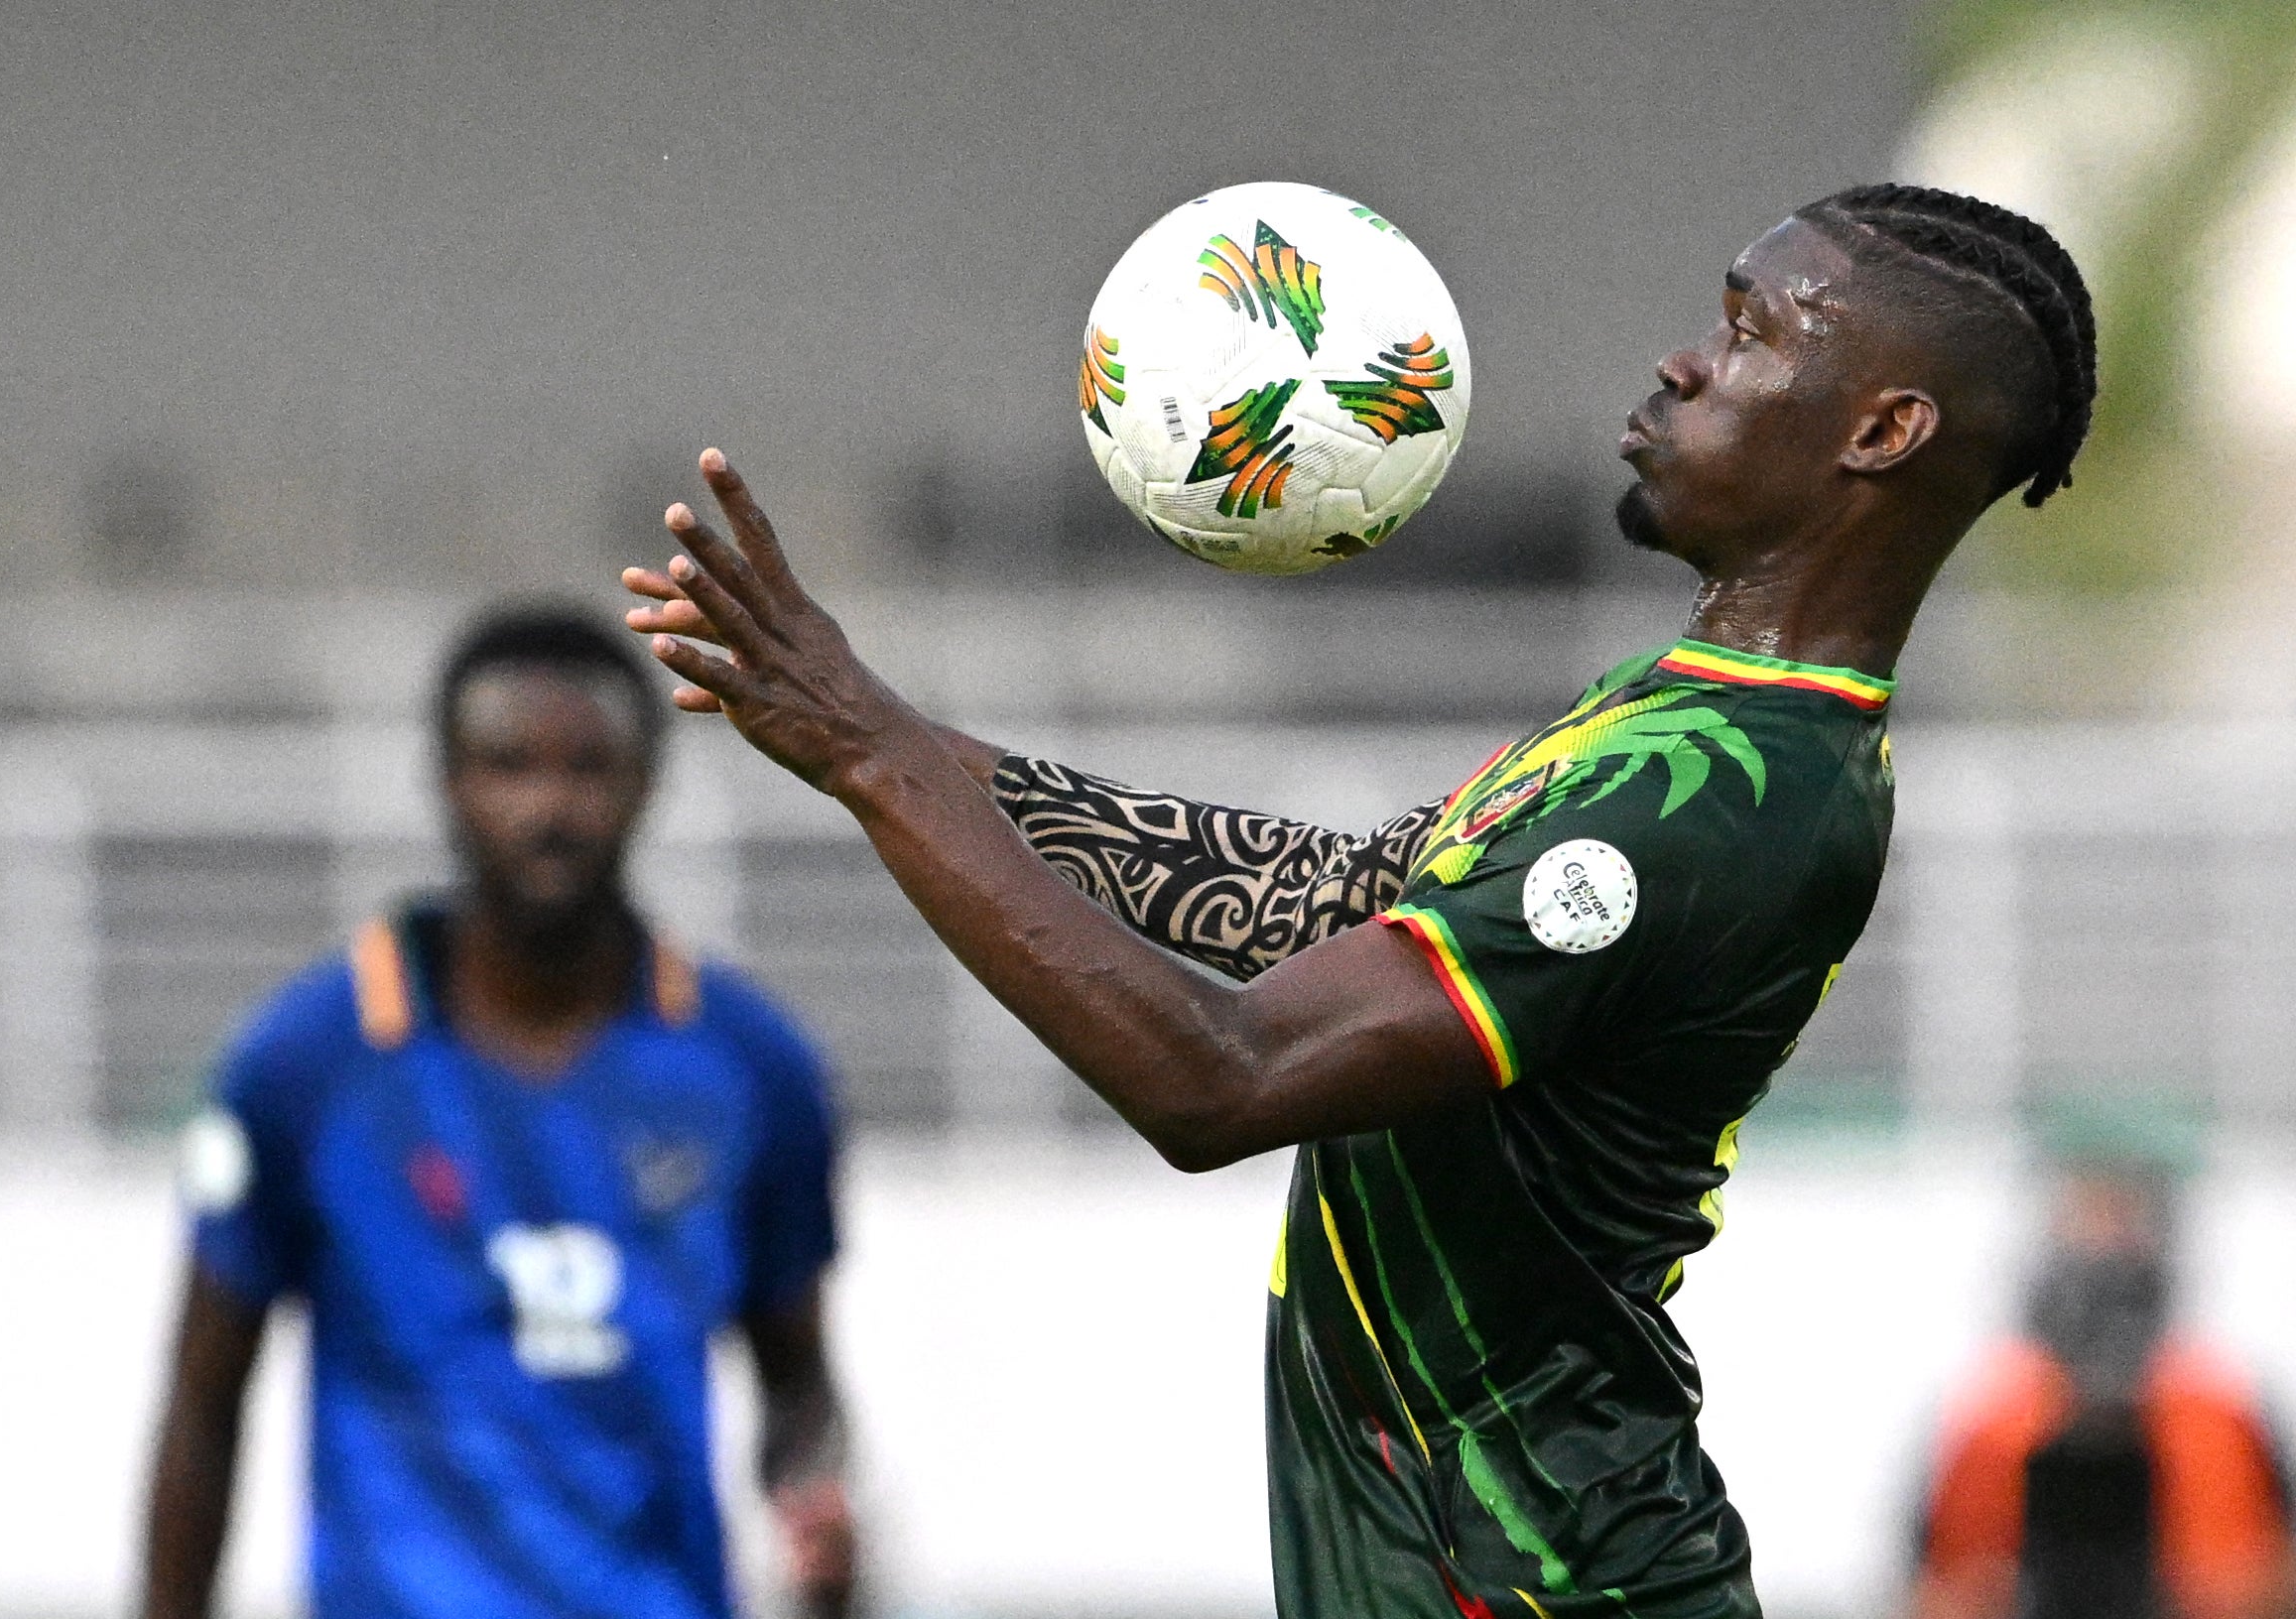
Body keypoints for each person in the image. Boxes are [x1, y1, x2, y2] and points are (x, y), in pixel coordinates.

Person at [619, 182, 2098, 1617]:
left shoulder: (1718, 796)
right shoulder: (1677, 723)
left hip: (1537, 1579)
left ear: (1884, 431)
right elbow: (1328, 901)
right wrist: (874, 726)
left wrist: (877, 760)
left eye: (1749, 329)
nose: (1685, 360)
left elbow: (1222, 1077)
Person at [140, 606, 854, 1619]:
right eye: (509, 765)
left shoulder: (751, 1067)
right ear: (446, 780)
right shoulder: (305, 1064)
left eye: (589, 767)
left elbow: (800, 1385)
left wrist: (813, 1500)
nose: (549, 808)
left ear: (648, 781)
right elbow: (204, 1403)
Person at [1911, 1163, 2294, 1619]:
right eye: (2087, 1222)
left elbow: (2262, 1576)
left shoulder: (2215, 1412)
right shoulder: (1995, 1417)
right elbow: (1944, 1585)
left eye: (2120, 1222)